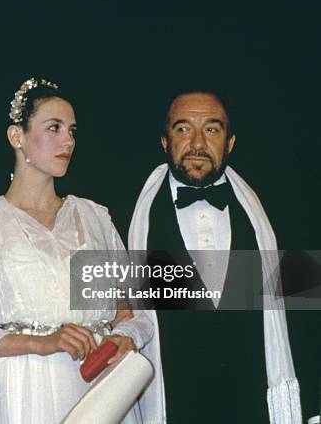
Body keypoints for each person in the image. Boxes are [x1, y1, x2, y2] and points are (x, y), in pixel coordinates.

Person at [0, 78, 154, 424]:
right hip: (25, 391)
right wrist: (43, 343)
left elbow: (133, 312)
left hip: (100, 386)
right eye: (53, 128)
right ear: (16, 136)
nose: (68, 140)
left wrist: (122, 340)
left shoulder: (93, 217)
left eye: (72, 130)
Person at [129, 90, 302, 423]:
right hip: (172, 406)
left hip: (252, 407)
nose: (196, 143)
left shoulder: (276, 213)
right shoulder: (128, 216)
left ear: (230, 142)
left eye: (211, 129)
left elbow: (303, 314)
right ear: (165, 141)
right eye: (182, 129)